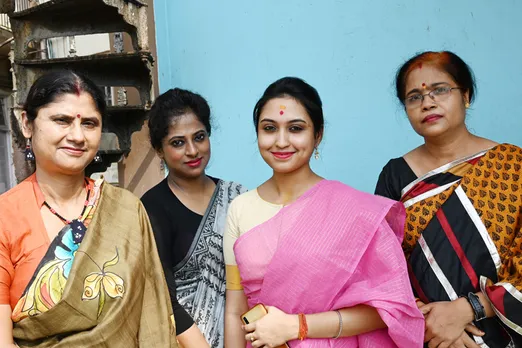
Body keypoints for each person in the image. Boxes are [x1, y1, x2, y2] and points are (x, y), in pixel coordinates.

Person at [223, 77, 424, 347]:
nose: (281, 141)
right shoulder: (240, 208)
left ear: (317, 135)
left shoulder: (352, 211)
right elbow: (236, 310)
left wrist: (297, 326)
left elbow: (390, 310)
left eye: (295, 128)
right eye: (269, 128)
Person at [0, 70, 177, 347]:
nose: (78, 136)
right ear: (27, 123)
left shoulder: (127, 210)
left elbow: (151, 314)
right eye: (62, 120)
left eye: (90, 124)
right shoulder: (5, 217)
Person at [375, 50, 522, 348]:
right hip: (427, 336)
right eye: (414, 97)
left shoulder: (513, 165)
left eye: (440, 90)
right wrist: (427, 320)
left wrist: (468, 309)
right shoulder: (395, 176)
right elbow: (382, 267)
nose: (427, 102)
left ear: (465, 95)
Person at [141, 88, 245, 348]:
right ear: (159, 150)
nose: (192, 150)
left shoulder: (237, 197)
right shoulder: (152, 208)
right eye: (178, 142)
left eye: (199, 137)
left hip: (247, 335)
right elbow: (162, 297)